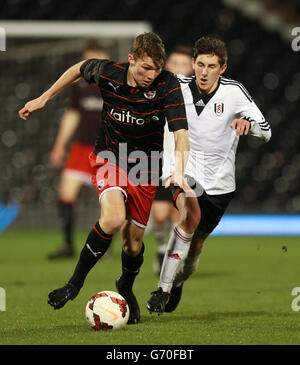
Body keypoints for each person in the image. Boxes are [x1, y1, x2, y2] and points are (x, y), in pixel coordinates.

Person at [19, 32, 195, 325]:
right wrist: (43, 98)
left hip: (145, 165)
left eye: (156, 69)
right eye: (145, 68)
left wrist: (179, 169)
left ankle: (125, 286)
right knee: (113, 219)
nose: (151, 75)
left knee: (133, 246)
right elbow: (79, 67)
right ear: (131, 59)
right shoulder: (108, 72)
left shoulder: (168, 84)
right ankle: (73, 284)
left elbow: (181, 133)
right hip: (109, 156)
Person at [147, 36, 272, 314]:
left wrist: (247, 124)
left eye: (211, 66)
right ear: (193, 64)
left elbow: (266, 131)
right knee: (188, 212)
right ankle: (162, 289)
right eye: (200, 64)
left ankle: (177, 282)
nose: (204, 72)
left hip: (219, 184)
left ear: (222, 68)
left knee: (194, 250)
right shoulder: (175, 86)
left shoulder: (234, 92)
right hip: (183, 170)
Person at [48, 41, 109, 259]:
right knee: (65, 195)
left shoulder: (114, 86)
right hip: (82, 149)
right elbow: (72, 116)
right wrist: (59, 145)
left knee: (111, 200)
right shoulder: (80, 87)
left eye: (96, 59)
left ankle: (105, 247)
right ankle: (68, 245)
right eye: (87, 61)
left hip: (107, 152)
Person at [151, 45, 194, 275]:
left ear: (191, 68)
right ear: (167, 65)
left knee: (181, 215)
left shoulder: (197, 97)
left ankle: (175, 258)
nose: (177, 69)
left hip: (183, 162)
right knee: (159, 215)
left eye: (183, 64)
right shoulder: (155, 90)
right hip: (156, 161)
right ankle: (160, 248)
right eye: (174, 63)